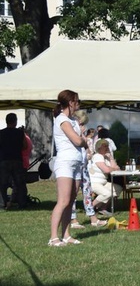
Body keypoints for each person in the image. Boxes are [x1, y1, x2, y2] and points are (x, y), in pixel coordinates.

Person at [49, 90, 88, 246]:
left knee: (71, 201)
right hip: (65, 162)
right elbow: (78, 141)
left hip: (77, 163)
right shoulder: (62, 119)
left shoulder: (73, 120)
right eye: (77, 101)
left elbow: (80, 139)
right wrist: (84, 141)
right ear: (70, 102)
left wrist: (82, 140)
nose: (78, 104)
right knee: (63, 201)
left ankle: (66, 235)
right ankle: (53, 237)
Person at [69, 110, 107, 228]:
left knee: (87, 192)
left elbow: (87, 150)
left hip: (84, 166)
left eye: (83, 125)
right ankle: (73, 219)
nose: (84, 127)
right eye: (81, 125)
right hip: (75, 166)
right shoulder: (71, 132)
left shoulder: (84, 137)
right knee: (73, 194)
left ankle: (93, 218)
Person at [0, 112, 28, 210]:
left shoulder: (1, 133)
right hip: (17, 160)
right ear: (15, 122)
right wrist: (23, 133)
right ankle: (22, 203)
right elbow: (25, 146)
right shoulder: (19, 133)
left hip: (4, 160)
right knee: (19, 183)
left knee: (2, 183)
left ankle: (2, 204)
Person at [89, 139, 122, 215]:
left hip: (103, 182)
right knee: (107, 194)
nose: (107, 147)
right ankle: (90, 208)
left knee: (117, 189)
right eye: (104, 146)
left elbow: (117, 168)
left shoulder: (106, 158)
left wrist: (110, 158)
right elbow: (106, 170)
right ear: (99, 148)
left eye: (107, 146)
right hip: (94, 182)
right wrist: (113, 168)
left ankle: (101, 208)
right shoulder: (97, 156)